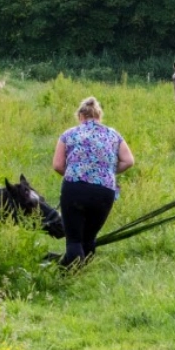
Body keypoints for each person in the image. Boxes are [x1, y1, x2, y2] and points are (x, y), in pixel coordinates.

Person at [52, 96, 135, 267]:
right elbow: (129, 161)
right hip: (104, 191)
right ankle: (81, 277)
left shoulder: (69, 134)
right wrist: (107, 171)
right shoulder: (113, 135)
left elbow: (57, 165)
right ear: (99, 116)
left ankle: (64, 275)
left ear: (80, 116)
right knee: (89, 238)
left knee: (74, 240)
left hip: (75, 188)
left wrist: (76, 173)